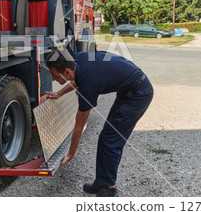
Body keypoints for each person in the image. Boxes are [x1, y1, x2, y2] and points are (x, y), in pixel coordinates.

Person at [45, 50, 153, 197]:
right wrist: (59, 93)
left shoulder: (90, 84)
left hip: (139, 94)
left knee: (111, 139)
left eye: (55, 76)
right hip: (128, 89)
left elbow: (79, 125)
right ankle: (102, 182)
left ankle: (108, 187)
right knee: (107, 137)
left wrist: (71, 153)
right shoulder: (77, 60)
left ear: (66, 71)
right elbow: (77, 79)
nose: (52, 79)